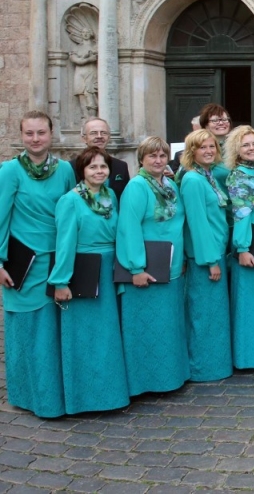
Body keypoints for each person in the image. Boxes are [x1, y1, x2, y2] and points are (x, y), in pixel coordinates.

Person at [0, 111, 76, 417]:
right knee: (28, 330)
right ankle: (29, 395)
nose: (35, 139)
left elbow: (73, 212)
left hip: (57, 260)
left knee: (55, 331)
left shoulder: (66, 170)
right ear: (21, 136)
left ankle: (58, 394)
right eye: (29, 133)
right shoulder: (9, 171)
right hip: (23, 264)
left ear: (51, 134)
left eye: (41, 133)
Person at [50, 146, 130, 414]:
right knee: (86, 335)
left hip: (109, 271)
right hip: (83, 269)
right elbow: (64, 244)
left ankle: (111, 393)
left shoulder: (110, 197)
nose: (99, 171)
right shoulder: (70, 200)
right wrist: (61, 282)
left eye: (103, 166)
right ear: (82, 172)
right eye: (93, 167)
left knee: (108, 335)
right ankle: (85, 397)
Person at [116, 136, 188, 396]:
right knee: (147, 328)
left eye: (162, 155)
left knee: (168, 326)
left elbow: (179, 223)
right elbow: (129, 228)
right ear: (142, 160)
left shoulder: (170, 184)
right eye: (152, 156)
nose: (158, 160)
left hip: (171, 266)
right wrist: (136, 268)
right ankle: (145, 382)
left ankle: (169, 377)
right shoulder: (137, 187)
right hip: (147, 269)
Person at [178, 129, 232, 382]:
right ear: (192, 152)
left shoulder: (208, 175)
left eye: (212, 146)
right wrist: (211, 262)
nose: (209, 150)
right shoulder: (192, 180)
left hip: (217, 253)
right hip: (205, 259)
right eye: (202, 147)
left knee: (215, 315)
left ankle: (215, 365)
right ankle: (202, 368)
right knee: (204, 316)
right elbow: (197, 224)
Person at [224, 126, 254, 370]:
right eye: (246, 145)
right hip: (250, 242)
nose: (251, 148)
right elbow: (241, 214)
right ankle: (246, 358)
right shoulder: (239, 176)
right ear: (237, 150)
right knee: (248, 303)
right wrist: (243, 248)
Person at [77, 117, 130, 199]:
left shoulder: (121, 166)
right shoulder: (72, 166)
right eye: (93, 133)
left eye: (103, 133)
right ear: (84, 138)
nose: (99, 136)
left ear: (109, 137)